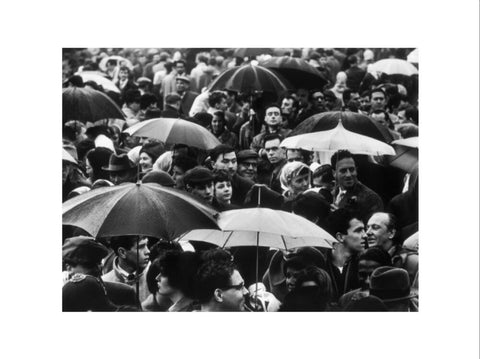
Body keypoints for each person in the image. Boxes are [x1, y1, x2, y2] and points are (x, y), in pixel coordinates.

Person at [62, 236, 137, 308]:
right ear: (69, 268)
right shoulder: (64, 296)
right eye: (89, 265)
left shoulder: (123, 293)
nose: (97, 268)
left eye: (99, 263)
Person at [331, 150, 383, 222]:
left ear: (356, 170)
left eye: (352, 170)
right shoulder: (332, 194)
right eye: (343, 171)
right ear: (334, 173)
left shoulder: (371, 198)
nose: (349, 175)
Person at [366, 212, 418, 284]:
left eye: (375, 227)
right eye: (367, 227)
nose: (368, 232)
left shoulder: (412, 262)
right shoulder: (364, 260)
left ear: (391, 233)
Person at [326, 208, 368, 295]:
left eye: (364, 229)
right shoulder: (321, 262)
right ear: (340, 237)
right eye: (359, 230)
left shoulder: (366, 263)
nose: (365, 235)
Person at [102, 235, 151, 303]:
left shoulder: (155, 277)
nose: (148, 251)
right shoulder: (104, 283)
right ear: (122, 252)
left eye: (147, 245)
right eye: (141, 247)